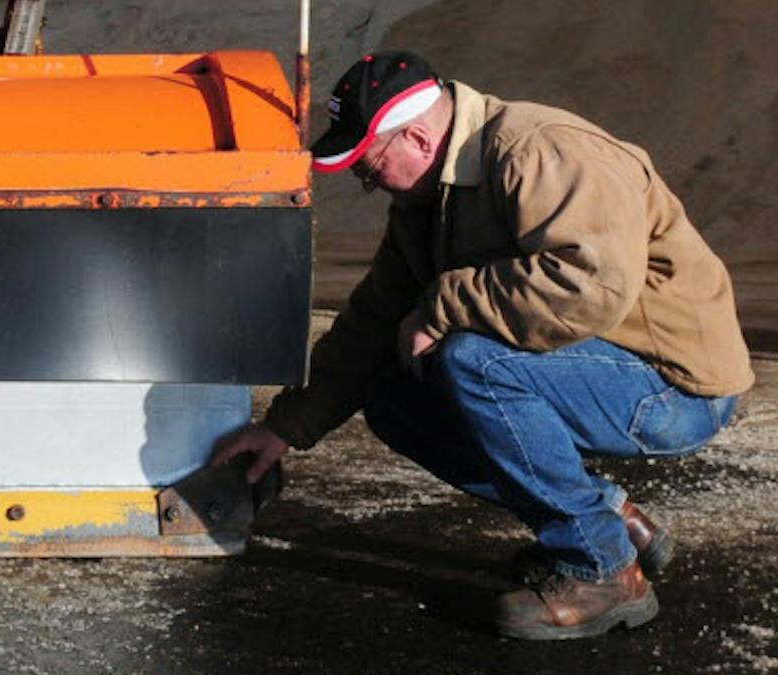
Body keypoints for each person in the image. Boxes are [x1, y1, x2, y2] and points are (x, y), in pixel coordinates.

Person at [213, 51, 752, 640]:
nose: (369, 186)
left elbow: (589, 285)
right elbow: (375, 318)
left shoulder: (541, 152)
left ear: (418, 138)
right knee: (395, 398)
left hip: (671, 387)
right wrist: (287, 427)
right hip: (598, 370)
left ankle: (602, 570)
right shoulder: (426, 203)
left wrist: (441, 306)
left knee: (473, 361)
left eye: (370, 169)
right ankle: (606, 519)